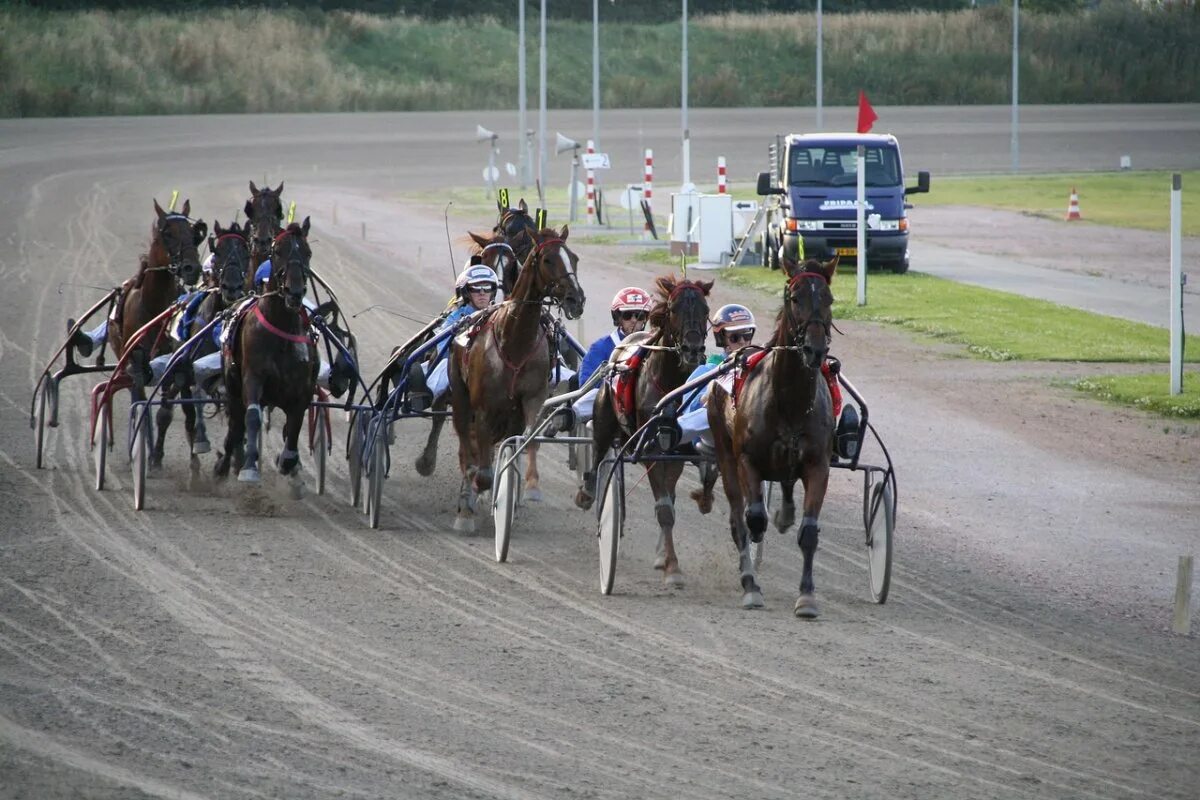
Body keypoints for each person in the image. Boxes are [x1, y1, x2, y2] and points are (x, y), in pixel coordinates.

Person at [405, 263, 499, 410]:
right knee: (443, 367)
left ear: (493, 291)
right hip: (456, 367)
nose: (482, 293)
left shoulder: (498, 315)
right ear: (466, 292)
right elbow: (442, 347)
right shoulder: (455, 317)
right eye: (475, 288)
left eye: (486, 288)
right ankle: (425, 395)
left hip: (491, 367)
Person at [676, 303, 757, 450]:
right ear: (721, 339)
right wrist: (707, 397)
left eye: (747, 335)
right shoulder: (708, 369)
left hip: (749, 427)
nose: (742, 342)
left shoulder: (758, 364)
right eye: (735, 337)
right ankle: (674, 433)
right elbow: (689, 409)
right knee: (711, 410)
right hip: (715, 433)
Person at [570, 286, 652, 422]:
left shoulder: (652, 346)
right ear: (618, 318)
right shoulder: (600, 347)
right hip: (608, 403)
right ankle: (570, 416)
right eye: (627, 315)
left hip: (641, 401)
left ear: (645, 319)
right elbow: (586, 385)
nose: (633, 320)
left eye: (639, 315)